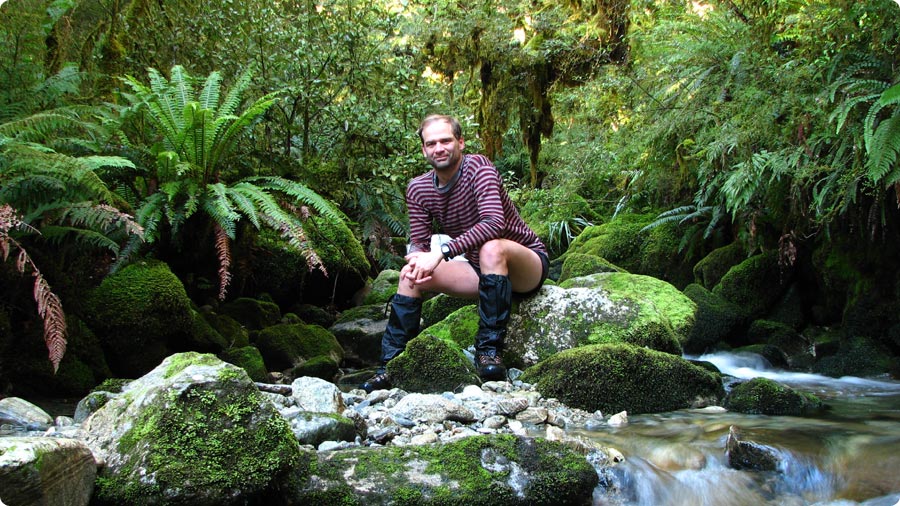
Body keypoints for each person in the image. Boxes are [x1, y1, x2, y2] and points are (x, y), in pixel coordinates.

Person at [361, 114, 549, 393]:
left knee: (491, 246)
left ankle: (488, 352)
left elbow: (494, 224)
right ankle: (392, 365)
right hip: (479, 271)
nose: (439, 148)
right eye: (431, 143)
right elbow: (420, 245)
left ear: (460, 142)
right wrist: (416, 257)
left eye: (446, 140)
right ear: (424, 150)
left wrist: (443, 252)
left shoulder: (478, 168)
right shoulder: (418, 188)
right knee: (410, 275)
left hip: (524, 265)